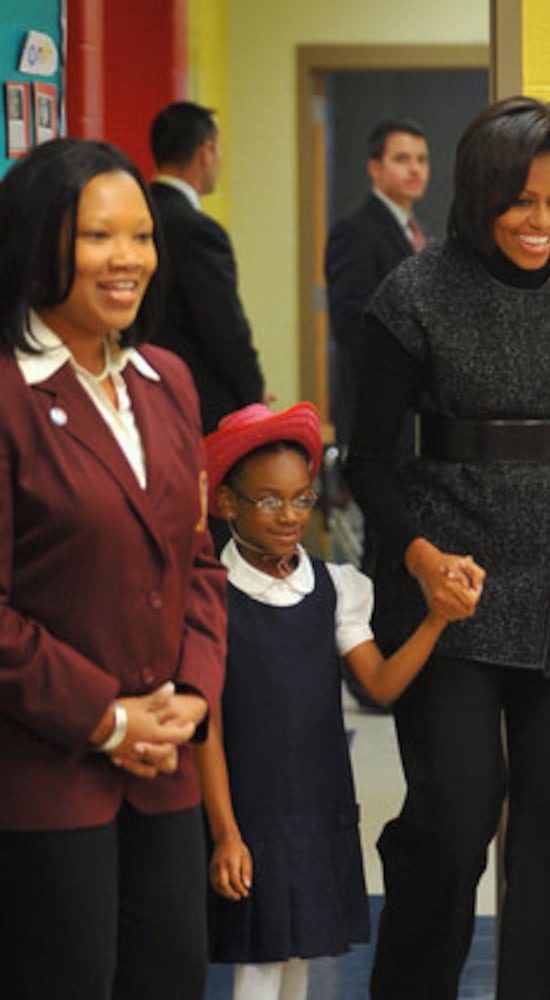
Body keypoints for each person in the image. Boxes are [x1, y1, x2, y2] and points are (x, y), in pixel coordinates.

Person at [348, 95, 550, 999]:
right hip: (451, 595)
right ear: (480, 195)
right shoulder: (412, 294)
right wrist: (420, 562)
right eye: (522, 201)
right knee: (452, 818)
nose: (541, 222)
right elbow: (369, 464)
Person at [0, 137, 227, 999]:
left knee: (170, 979)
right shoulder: (10, 393)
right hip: (43, 780)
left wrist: (193, 697)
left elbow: (200, 563)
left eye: (141, 236)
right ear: (36, 242)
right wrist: (106, 718)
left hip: (166, 771)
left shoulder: (166, 380)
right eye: (99, 237)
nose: (128, 259)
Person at [197, 401, 480, 1000]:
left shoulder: (331, 587)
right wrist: (225, 831)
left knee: (300, 951)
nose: (290, 515)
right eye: (269, 500)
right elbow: (209, 729)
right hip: (250, 812)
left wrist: (435, 621)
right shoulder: (211, 598)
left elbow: (379, 683)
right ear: (227, 505)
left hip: (317, 807)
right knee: (259, 960)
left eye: (301, 498)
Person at [148, 101, 266, 435]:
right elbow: (225, 332)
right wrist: (252, 401)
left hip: (141, 397)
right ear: (206, 151)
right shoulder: (198, 230)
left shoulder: (139, 214)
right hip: (198, 408)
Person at [324, 118, 430, 449]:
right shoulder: (354, 232)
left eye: (421, 160)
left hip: (417, 413)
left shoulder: (421, 233)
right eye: (401, 159)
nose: (414, 169)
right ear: (375, 167)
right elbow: (351, 322)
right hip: (374, 410)